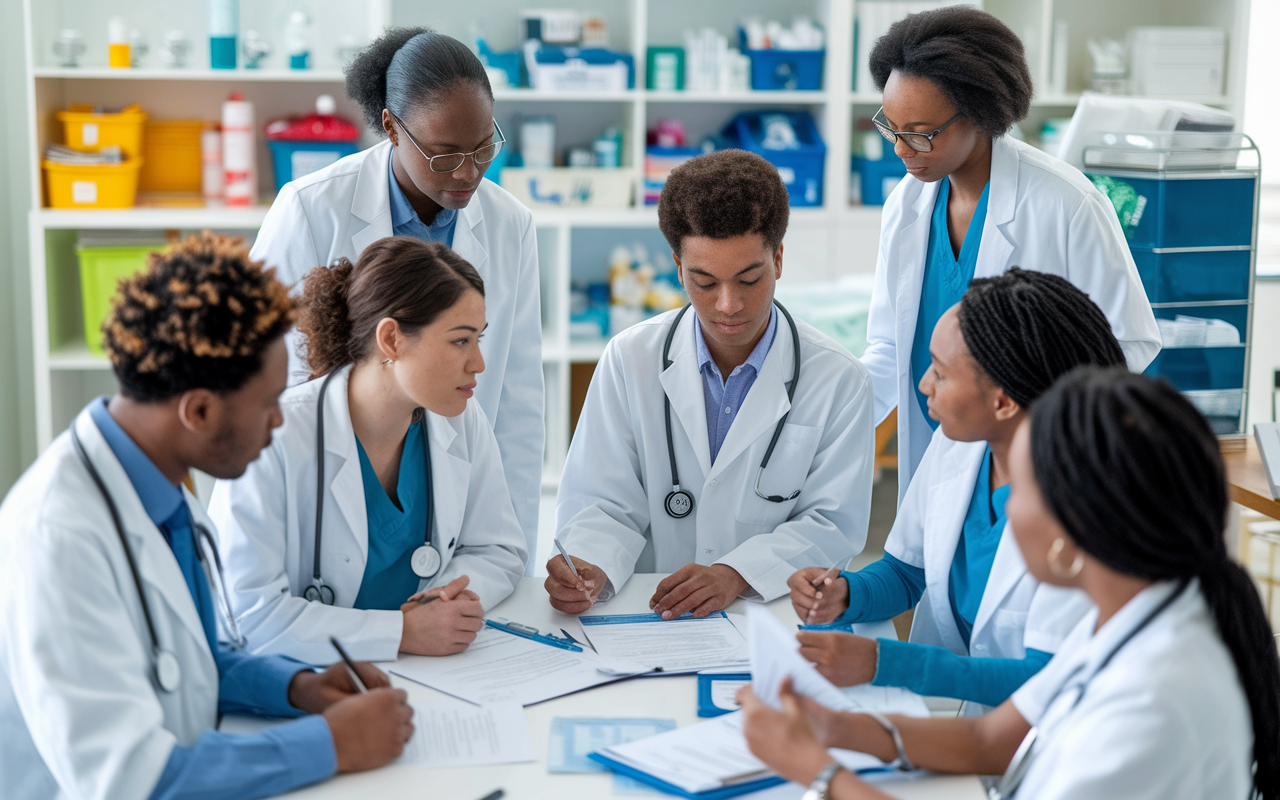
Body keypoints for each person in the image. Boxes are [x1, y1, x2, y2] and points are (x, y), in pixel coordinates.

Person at [0, 233, 414, 800]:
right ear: (197, 410)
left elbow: (195, 657)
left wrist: (301, 688)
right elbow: (130, 781)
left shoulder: (160, 487)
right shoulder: (58, 537)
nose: (279, 421)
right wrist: (330, 743)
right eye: (268, 404)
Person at [738, 368, 1280, 800]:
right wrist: (833, 729)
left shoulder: (1149, 707)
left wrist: (820, 774)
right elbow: (990, 739)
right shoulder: (1128, 618)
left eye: (1017, 491)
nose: (1001, 506)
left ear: (1074, 529)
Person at [250, 27, 543, 570]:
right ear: (391, 126)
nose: (468, 172)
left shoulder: (510, 224)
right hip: (332, 469)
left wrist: (512, 557)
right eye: (443, 154)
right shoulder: (312, 209)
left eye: (483, 148)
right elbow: (268, 371)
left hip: (453, 476)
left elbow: (519, 401)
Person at [549, 150, 876, 618]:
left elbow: (833, 524)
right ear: (679, 268)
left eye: (749, 279)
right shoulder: (629, 358)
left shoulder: (839, 380)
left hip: (767, 613)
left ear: (778, 259)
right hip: (646, 610)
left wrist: (736, 573)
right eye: (704, 281)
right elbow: (600, 499)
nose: (728, 304)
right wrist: (589, 566)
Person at [787, 269, 1124, 711]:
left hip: (1053, 743)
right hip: (965, 720)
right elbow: (907, 571)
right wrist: (847, 594)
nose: (923, 384)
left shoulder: (1093, 511)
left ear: (1003, 402)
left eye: (941, 375)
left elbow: (1049, 678)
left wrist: (883, 662)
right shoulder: (957, 444)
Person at [858, 7, 1160, 498]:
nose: (901, 149)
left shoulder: (1066, 204)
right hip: (933, 454)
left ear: (980, 113)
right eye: (890, 128)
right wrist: (821, 427)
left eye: (920, 132)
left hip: (1032, 460)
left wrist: (1035, 424)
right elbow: (890, 346)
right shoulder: (907, 205)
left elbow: (1130, 343)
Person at [210, 236, 526, 664]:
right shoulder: (274, 437)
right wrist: (401, 632)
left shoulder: (460, 420)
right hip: (313, 683)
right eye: (460, 341)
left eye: (479, 340)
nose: (479, 364)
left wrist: (444, 601)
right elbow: (245, 616)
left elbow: (498, 550)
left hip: (435, 672)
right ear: (392, 339)